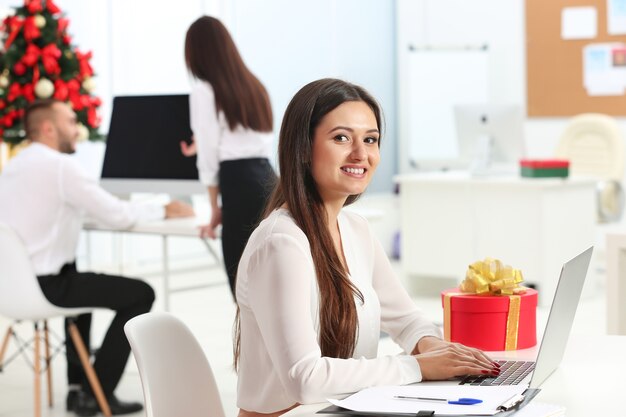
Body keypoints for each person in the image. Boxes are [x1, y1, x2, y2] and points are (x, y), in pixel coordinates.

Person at [234, 79, 500, 416]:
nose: (361, 154)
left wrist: (436, 349)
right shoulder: (281, 243)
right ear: (302, 148)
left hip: (344, 409)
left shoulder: (355, 228)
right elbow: (305, 379)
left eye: (370, 139)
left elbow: (406, 319)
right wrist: (417, 367)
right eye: (341, 138)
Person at [0, 99, 194, 416]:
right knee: (141, 294)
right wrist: (164, 209)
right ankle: (97, 391)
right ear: (48, 128)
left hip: (10, 288)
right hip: (47, 288)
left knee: (80, 281)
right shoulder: (61, 167)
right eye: (71, 121)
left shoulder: (14, 166)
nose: (78, 129)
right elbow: (116, 215)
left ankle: (79, 388)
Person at [184, 16, 276, 298]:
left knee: (244, 291)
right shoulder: (254, 86)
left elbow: (210, 158)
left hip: (238, 185)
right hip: (269, 180)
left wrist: (214, 207)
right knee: (271, 280)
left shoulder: (204, 91)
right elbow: (255, 141)